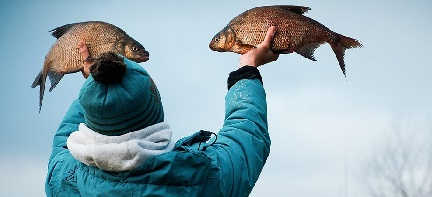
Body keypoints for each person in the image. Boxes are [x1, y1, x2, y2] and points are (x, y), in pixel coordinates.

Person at [45, 27, 279, 196]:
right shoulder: (206, 177)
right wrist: (247, 68)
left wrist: (94, 87)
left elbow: (62, 143)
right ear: (155, 108)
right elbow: (248, 135)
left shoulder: (64, 179)